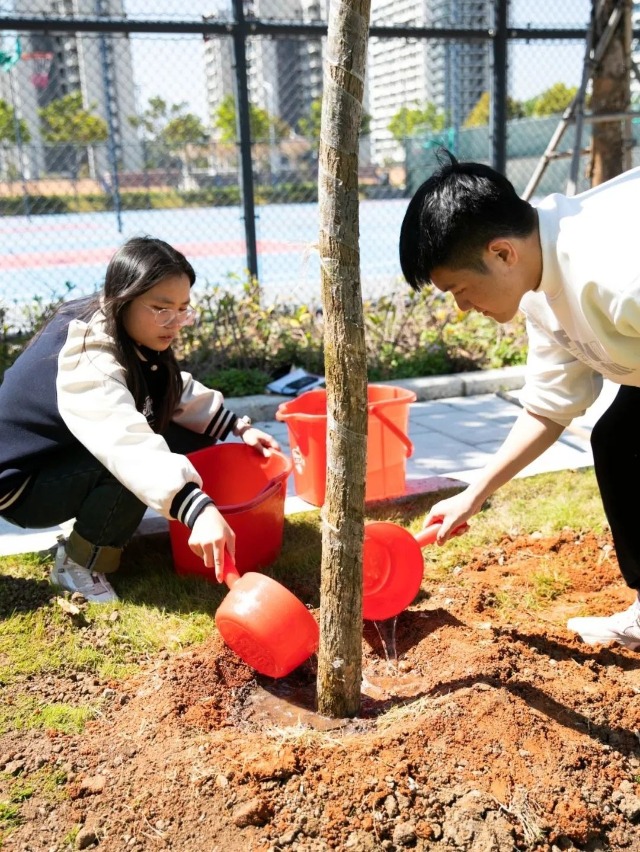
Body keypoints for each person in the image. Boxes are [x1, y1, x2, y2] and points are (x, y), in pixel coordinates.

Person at [399, 150, 640, 650]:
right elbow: (549, 406)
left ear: (501, 253)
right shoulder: (537, 281)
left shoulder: (616, 273)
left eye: (460, 289)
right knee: (619, 441)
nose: (463, 307)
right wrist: (474, 494)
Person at [0, 236, 279, 603]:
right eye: (162, 308)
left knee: (185, 433)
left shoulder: (129, 330)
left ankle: (98, 522)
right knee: (133, 458)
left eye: (183, 309)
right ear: (124, 297)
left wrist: (237, 426)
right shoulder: (89, 351)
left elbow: (169, 388)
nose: (176, 322)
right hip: (22, 485)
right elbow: (123, 440)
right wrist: (197, 509)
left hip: (58, 458)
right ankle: (78, 564)